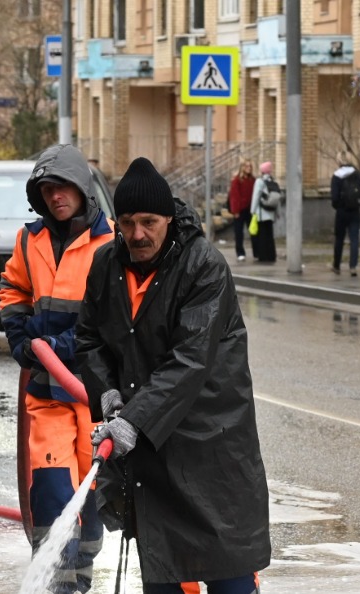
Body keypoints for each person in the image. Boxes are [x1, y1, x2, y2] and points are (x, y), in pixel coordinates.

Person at [75, 156, 270, 593]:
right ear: (116, 222)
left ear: (168, 217)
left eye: (149, 221)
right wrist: (107, 393)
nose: (138, 234)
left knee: (228, 568)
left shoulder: (203, 266)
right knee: (161, 568)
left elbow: (191, 360)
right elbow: (88, 338)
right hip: (149, 450)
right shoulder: (106, 265)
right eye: (127, 223)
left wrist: (133, 420)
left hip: (211, 446)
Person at [0, 144, 115, 594]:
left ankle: (77, 576)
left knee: (91, 496)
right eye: (46, 189)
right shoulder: (31, 240)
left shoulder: (109, 244)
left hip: (94, 394)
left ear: (82, 189)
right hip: (47, 392)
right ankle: (57, 586)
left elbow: (110, 317)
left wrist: (59, 345)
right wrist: (19, 340)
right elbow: (13, 288)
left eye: (61, 186)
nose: (54, 197)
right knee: (50, 489)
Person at [330, 152, 360, 277]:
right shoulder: (357, 174)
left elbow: (334, 197)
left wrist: (338, 206)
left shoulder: (336, 176)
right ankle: (353, 267)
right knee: (354, 239)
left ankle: (336, 266)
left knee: (339, 238)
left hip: (341, 211)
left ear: (339, 161)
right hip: (355, 211)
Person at [228, 158, 256, 262]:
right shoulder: (237, 180)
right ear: (242, 168)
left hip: (250, 210)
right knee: (239, 233)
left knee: (253, 231)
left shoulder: (252, 180)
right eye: (247, 166)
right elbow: (234, 196)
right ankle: (240, 252)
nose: (249, 168)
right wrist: (235, 211)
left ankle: (256, 252)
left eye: (250, 166)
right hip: (239, 210)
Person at [250, 161, 278, 263]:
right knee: (270, 235)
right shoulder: (272, 181)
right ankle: (271, 255)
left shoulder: (259, 181)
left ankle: (263, 256)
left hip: (261, 213)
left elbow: (256, 196)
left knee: (262, 235)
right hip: (270, 213)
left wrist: (252, 211)